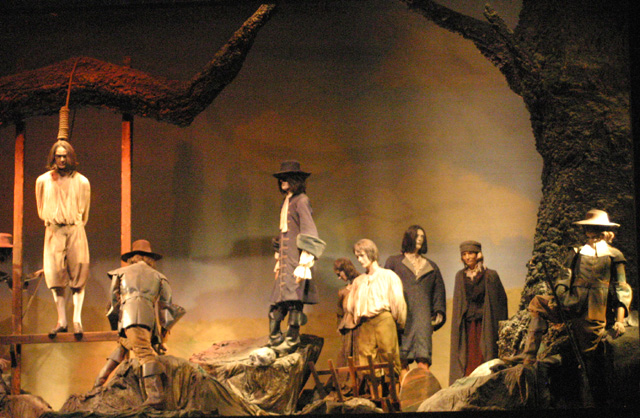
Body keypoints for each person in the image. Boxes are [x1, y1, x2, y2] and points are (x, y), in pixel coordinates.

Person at [508, 209, 632, 405]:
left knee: (589, 359)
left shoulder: (614, 256)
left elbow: (621, 289)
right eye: (587, 227)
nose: (589, 231)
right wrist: (558, 297)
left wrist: (619, 320)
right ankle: (529, 357)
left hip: (595, 310)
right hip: (570, 303)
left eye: (593, 227)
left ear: (602, 229)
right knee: (538, 303)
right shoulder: (576, 253)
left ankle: (595, 401)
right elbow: (563, 280)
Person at [93, 239, 182, 409]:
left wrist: (116, 323)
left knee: (142, 352)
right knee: (126, 348)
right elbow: (166, 307)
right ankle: (98, 384)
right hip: (147, 318)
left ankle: (155, 396)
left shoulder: (120, 273)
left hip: (128, 316)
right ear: (150, 258)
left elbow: (113, 301)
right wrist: (163, 333)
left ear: (132, 257)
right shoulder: (160, 277)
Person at [268, 161, 325, 356]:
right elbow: (285, 233)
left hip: (296, 261)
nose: (283, 181)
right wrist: (279, 259)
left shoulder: (302, 200)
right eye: (281, 178)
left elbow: (309, 230)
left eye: (287, 177)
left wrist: (305, 262)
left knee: (294, 301)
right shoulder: (287, 201)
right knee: (277, 302)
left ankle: (292, 339)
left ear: (296, 180)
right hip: (286, 262)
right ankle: (275, 338)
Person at [35, 140, 91, 337]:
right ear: (53, 157)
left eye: (64, 156)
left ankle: (77, 320)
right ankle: (62, 320)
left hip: (75, 228)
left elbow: (85, 212)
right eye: (58, 156)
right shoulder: (43, 181)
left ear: (70, 157)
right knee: (54, 275)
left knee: (79, 273)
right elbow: (40, 208)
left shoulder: (82, 182)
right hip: (53, 230)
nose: (61, 160)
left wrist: (74, 224)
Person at [384, 225, 446, 381]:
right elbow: (385, 287)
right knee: (402, 360)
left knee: (423, 357)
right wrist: (387, 312)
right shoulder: (394, 262)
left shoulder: (431, 266)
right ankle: (404, 392)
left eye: (422, 237)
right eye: (417, 236)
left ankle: (423, 392)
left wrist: (438, 312)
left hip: (423, 316)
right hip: (401, 317)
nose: (420, 239)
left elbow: (438, 291)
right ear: (409, 237)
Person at [449, 240, 507, 384]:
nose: (467, 257)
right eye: (464, 254)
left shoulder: (490, 275)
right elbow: (459, 304)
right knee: (467, 358)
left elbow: (500, 302)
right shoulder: (460, 276)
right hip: (468, 327)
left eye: (470, 253)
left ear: (478, 254)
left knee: (485, 355)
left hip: (485, 325)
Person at [348, 238, 407, 375]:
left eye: (362, 255)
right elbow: (351, 306)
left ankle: (393, 387)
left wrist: (397, 321)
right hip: (365, 323)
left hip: (383, 320)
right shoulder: (359, 281)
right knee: (366, 362)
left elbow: (398, 302)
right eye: (357, 257)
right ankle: (374, 388)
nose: (359, 260)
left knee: (389, 357)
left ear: (371, 253)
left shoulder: (388, 276)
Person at [334, 257, 360, 369]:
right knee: (346, 355)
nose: (339, 278)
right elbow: (339, 312)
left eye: (339, 274)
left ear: (346, 270)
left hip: (361, 329)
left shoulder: (362, 283)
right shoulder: (343, 292)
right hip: (348, 331)